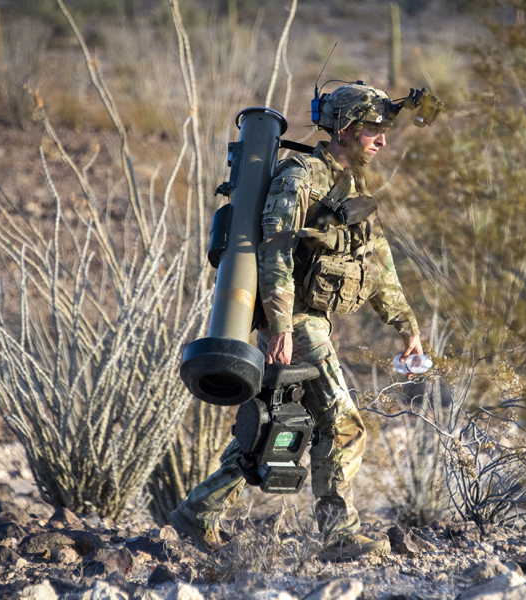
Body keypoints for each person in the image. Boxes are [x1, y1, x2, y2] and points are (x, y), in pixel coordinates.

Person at [171, 83, 422, 558]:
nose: (382, 141)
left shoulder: (350, 184)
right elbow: (275, 251)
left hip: (310, 322)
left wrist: (406, 326)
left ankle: (198, 511)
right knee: (344, 426)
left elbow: (379, 263)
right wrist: (281, 327)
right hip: (296, 321)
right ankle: (338, 534)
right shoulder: (299, 176)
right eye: (374, 129)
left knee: (279, 423)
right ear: (346, 129)